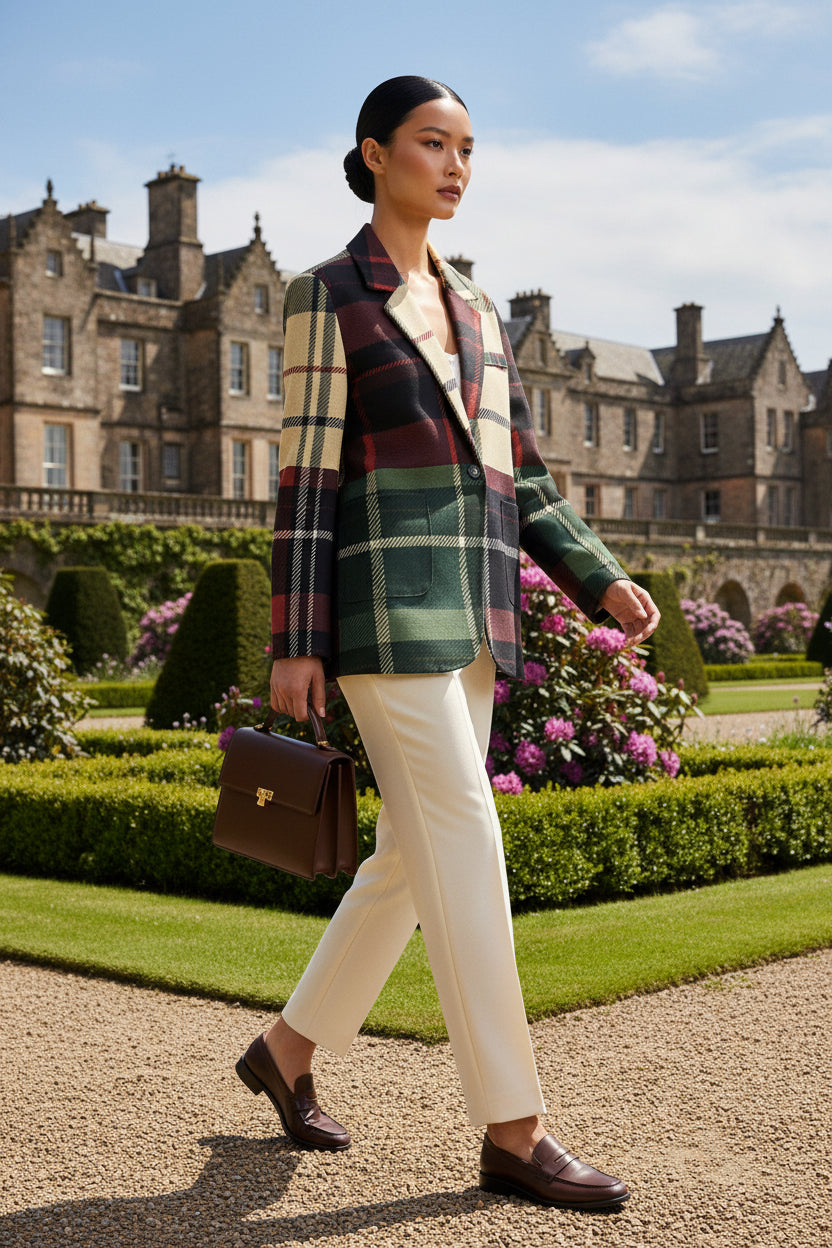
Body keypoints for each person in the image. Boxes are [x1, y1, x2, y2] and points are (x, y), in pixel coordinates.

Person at [236, 75, 660, 1210]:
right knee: (466, 842)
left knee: (407, 862)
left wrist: (598, 576)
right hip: (381, 613)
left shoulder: (476, 308)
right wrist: (296, 638)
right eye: (433, 143)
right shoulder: (328, 294)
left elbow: (517, 477)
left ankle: (284, 1053)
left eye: (469, 146)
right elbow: (307, 477)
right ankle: (513, 1128)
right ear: (374, 154)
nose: (456, 164)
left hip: (477, 613)